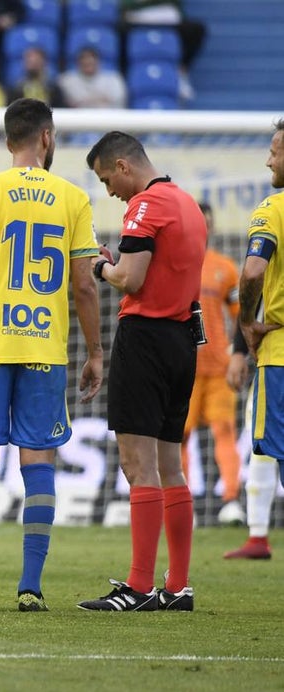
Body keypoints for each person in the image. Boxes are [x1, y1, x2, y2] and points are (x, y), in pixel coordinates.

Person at [0, 97, 103, 613]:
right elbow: (85, 287)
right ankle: (30, 586)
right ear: (47, 138)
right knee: (38, 461)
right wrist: (95, 352)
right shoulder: (74, 198)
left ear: (9, 140)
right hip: (45, 350)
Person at [80, 131, 207, 612]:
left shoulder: (146, 206)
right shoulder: (189, 204)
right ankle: (178, 587)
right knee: (171, 465)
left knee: (137, 465)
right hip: (182, 342)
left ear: (123, 165)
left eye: (107, 178)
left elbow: (130, 279)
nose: (110, 190)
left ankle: (137, 587)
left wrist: (100, 267)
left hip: (146, 340)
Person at [235, 118, 284, 558]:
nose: (269, 159)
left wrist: (247, 323)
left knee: (278, 452)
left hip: (281, 354)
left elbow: (252, 272)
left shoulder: (273, 209)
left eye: (275, 150)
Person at [180, 201, 243, 524]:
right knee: (180, 437)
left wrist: (238, 354)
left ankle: (231, 499)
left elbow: (240, 317)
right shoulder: (176, 265)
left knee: (224, 430)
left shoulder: (225, 268)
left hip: (218, 369)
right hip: (184, 369)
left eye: (207, 223)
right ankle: (182, 504)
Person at [225, 326, 276, 560]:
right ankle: (257, 535)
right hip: (273, 358)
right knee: (261, 444)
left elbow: (250, 295)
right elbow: (251, 300)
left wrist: (237, 353)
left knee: (262, 443)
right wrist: (238, 351)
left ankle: (258, 536)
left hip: (275, 362)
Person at [56, 47, 127, 110]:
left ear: (98, 62)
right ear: (78, 63)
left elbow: (118, 102)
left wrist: (85, 101)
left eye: (90, 63)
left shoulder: (114, 79)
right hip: (76, 121)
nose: (87, 65)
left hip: (108, 120)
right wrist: (100, 100)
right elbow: (66, 103)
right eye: (84, 63)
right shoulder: (66, 80)